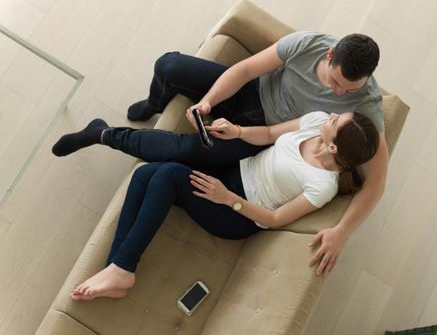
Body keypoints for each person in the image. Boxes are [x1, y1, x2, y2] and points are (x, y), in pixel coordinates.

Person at [53, 31, 389, 276]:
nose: (340, 94)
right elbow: (244, 71)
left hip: (263, 142)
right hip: (251, 100)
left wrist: (342, 231)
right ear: (330, 56)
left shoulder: (365, 110)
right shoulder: (308, 45)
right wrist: (208, 102)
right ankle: (154, 104)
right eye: (336, 83)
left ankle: (101, 133)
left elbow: (375, 182)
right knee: (168, 65)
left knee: (181, 150)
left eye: (350, 90)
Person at [70, 111, 379, 301]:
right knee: (144, 174)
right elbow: (271, 134)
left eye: (338, 121)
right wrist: (239, 132)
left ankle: (123, 269)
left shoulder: (322, 184)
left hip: (239, 215)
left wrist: (228, 199)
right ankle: (117, 268)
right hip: (233, 173)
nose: (333, 116)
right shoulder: (316, 120)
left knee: (167, 175)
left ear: (334, 146)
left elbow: (273, 218)